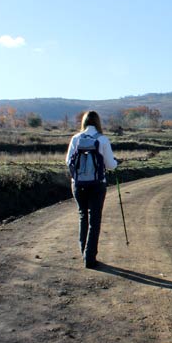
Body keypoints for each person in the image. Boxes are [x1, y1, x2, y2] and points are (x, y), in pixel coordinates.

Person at [65, 111, 118, 268]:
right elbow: (110, 164)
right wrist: (116, 163)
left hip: (78, 184)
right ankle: (90, 257)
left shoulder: (75, 138)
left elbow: (68, 161)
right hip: (97, 185)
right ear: (98, 122)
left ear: (84, 122)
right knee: (95, 221)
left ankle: (84, 253)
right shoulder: (102, 139)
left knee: (83, 217)